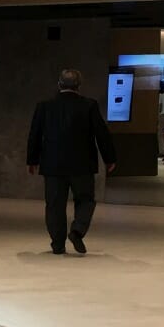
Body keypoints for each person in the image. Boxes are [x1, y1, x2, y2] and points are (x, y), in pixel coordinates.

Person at [26, 68, 117, 255]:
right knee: (85, 200)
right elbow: (102, 133)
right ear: (79, 86)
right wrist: (109, 158)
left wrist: (32, 160)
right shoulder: (89, 105)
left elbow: (34, 135)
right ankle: (77, 231)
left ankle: (57, 244)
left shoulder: (45, 106)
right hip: (82, 164)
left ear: (59, 84)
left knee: (54, 204)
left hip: (52, 164)